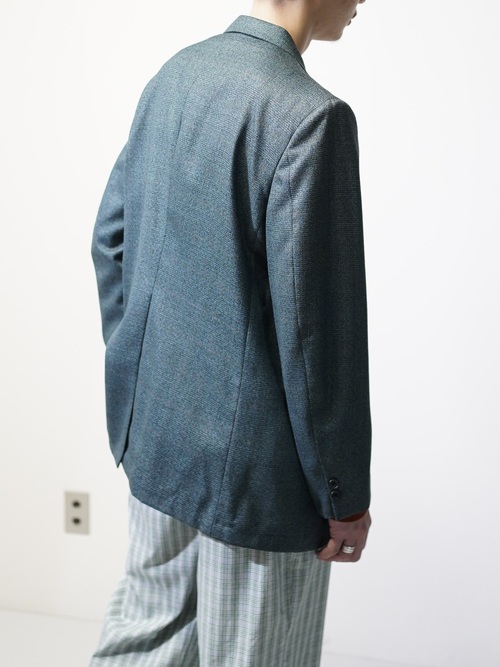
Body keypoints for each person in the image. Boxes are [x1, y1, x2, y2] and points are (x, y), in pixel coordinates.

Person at [90, 0, 372, 665]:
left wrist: (143, 380)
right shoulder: (311, 117)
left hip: (155, 443)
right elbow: (317, 338)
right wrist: (343, 494)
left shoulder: (175, 76)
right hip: (259, 482)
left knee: (143, 645)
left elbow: (111, 241)